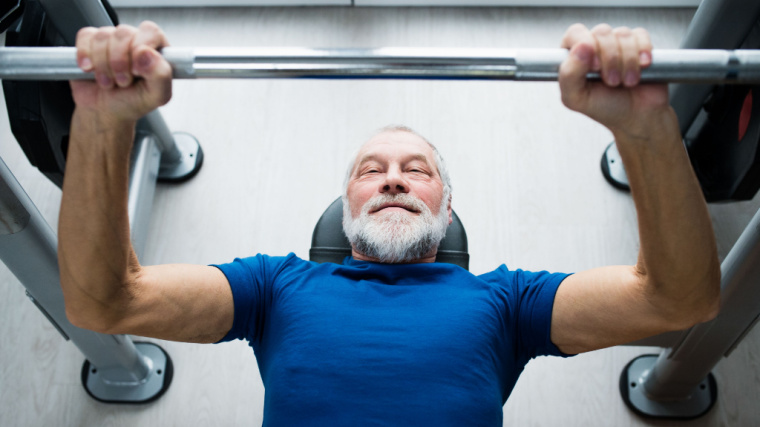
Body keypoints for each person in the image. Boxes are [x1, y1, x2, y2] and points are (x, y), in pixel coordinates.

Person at [59, 21, 721, 425]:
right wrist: (100, 120)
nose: (395, 176)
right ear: (346, 209)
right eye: (371, 169)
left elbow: (678, 298)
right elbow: (104, 300)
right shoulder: (273, 288)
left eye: (416, 169)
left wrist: (644, 128)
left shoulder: (507, 299)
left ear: (446, 208)